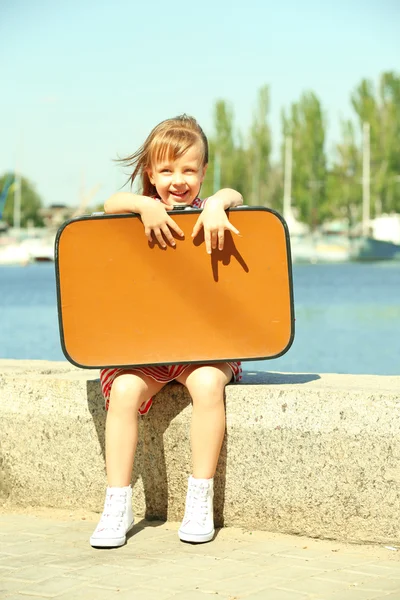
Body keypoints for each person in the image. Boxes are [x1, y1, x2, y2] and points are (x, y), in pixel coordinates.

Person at [90, 114, 243, 549]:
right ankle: (116, 503)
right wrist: (143, 206)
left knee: (210, 384)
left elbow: (235, 193)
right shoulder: (138, 210)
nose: (179, 180)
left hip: (202, 347)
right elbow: (110, 204)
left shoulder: (210, 208)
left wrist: (215, 204)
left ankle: (199, 499)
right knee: (121, 393)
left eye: (190, 170)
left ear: (203, 173)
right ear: (150, 174)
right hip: (150, 349)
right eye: (166, 170)